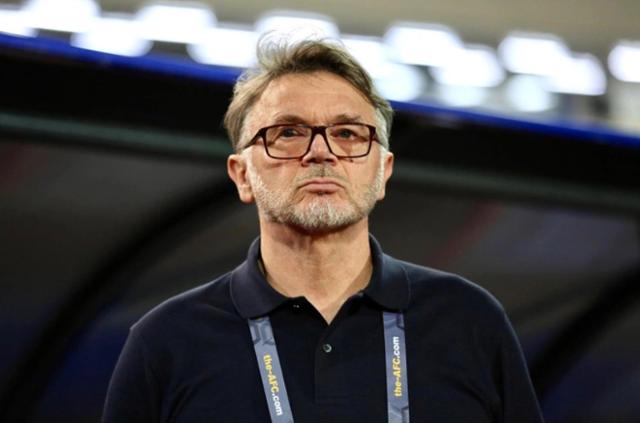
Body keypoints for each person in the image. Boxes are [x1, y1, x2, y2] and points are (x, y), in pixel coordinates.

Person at [103, 37, 544, 423]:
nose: (321, 152)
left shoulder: (467, 320)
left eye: (348, 133)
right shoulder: (168, 340)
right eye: (288, 132)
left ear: (383, 171)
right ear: (242, 175)